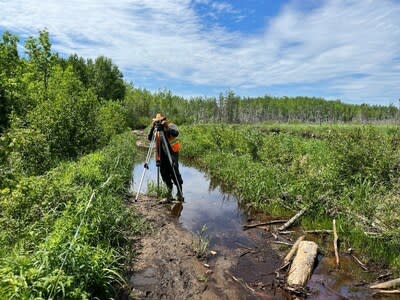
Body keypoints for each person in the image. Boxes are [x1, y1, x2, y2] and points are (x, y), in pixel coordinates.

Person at [148, 113, 184, 202]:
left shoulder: (171, 126)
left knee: (175, 173)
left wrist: (166, 127)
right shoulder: (156, 129)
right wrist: (153, 128)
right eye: (157, 121)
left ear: (164, 120)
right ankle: (169, 195)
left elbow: (176, 133)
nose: (159, 122)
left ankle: (180, 194)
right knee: (164, 175)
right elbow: (150, 138)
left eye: (160, 121)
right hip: (162, 155)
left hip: (172, 154)